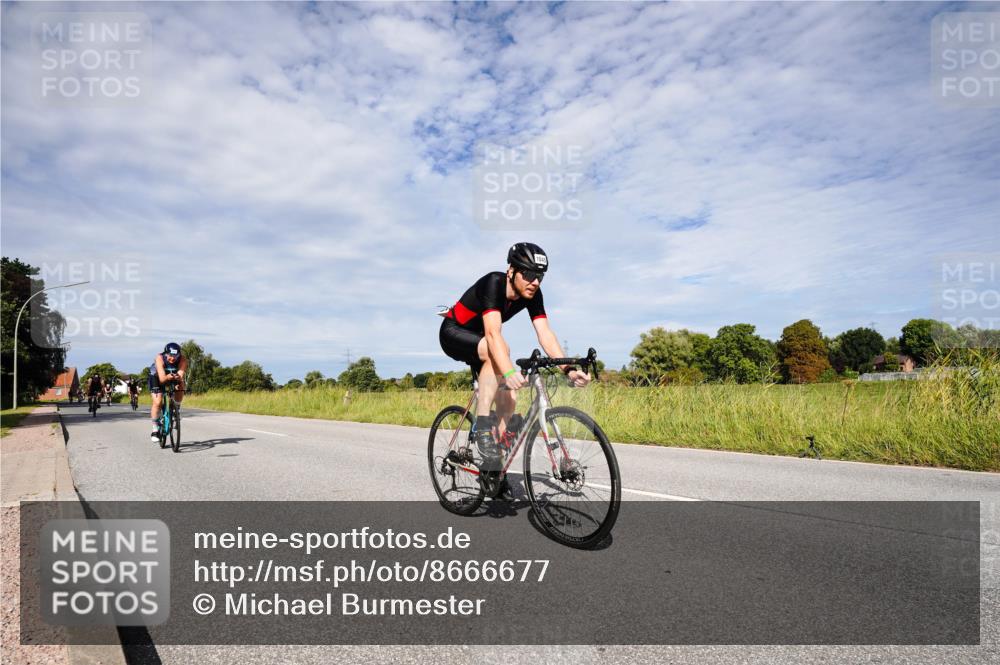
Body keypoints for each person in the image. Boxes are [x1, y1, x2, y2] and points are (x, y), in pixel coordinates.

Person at [439, 242, 590, 499]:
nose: (535, 282)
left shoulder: (533, 294)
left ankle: (493, 471)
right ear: (511, 270)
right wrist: (509, 371)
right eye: (529, 274)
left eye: (540, 276)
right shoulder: (494, 283)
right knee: (498, 349)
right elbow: (493, 333)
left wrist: (568, 369)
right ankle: (483, 427)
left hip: (484, 341)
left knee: (509, 400)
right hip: (455, 333)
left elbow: (546, 334)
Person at [149, 342, 188, 442]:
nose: (172, 359)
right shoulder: (160, 358)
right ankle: (155, 428)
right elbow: (162, 379)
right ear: (166, 354)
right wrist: (167, 377)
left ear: (179, 355)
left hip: (171, 375)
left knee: (181, 385)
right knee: (157, 402)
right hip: (157, 377)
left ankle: (176, 411)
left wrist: (177, 377)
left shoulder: (183, 360)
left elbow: (180, 374)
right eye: (170, 355)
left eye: (176, 356)